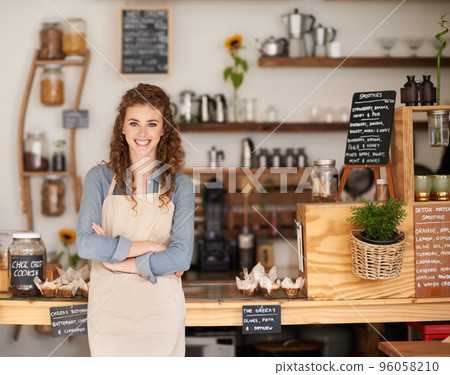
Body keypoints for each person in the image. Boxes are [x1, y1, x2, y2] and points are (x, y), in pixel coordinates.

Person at [76, 83, 194, 357]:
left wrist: (120, 263)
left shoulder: (181, 185)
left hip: (161, 315)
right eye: (134, 123)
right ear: (122, 127)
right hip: (110, 315)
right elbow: (86, 245)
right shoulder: (100, 178)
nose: (142, 133)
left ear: (164, 129)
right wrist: (152, 247)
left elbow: (180, 258)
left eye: (152, 124)